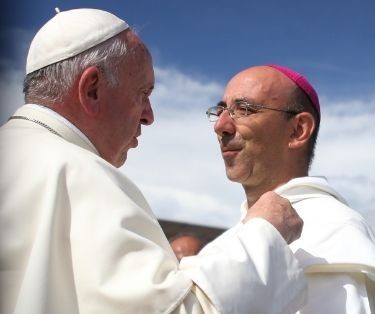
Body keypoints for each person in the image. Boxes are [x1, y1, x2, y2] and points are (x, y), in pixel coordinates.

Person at [0, 8, 307, 314]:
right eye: (143, 93)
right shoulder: (77, 173)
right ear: (91, 89)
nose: (149, 116)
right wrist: (264, 233)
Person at [206, 64, 375, 313]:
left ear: (298, 130)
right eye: (220, 111)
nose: (220, 126)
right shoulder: (236, 235)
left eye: (243, 109)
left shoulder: (333, 232)